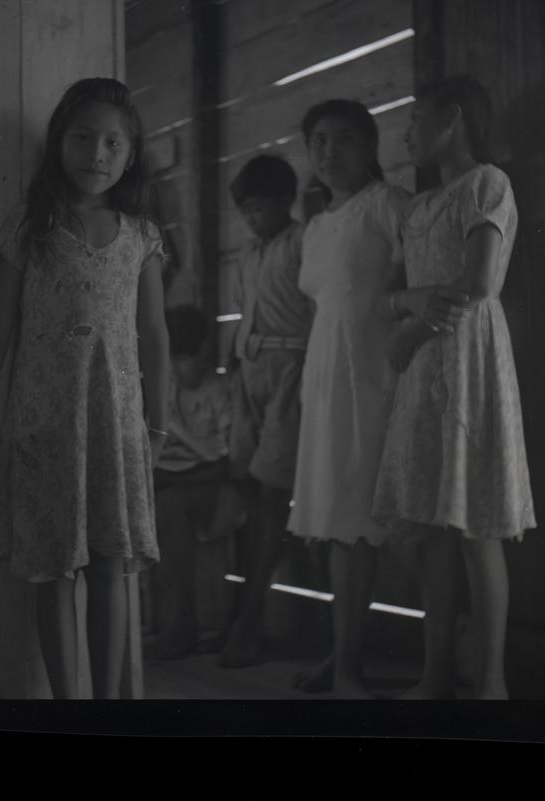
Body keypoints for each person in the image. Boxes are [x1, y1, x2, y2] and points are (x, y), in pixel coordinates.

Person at [0, 78, 170, 699]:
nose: (96, 153)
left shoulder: (141, 234)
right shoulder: (32, 222)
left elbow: (153, 334)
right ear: (58, 143)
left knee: (109, 565)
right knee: (54, 567)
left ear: (131, 155)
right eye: (82, 137)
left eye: (112, 142)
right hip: (44, 424)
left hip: (117, 425)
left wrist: (156, 425)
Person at [373, 75, 536, 700]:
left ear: (454, 120)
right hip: (425, 368)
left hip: (467, 356)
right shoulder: (416, 209)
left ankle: (490, 682)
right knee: (435, 530)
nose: (408, 132)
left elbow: (477, 284)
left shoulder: (487, 185)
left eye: (417, 118)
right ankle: (434, 672)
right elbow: (390, 295)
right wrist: (410, 307)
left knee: (475, 527)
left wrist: (411, 333)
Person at [286, 100, 411, 698]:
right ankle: (342, 659)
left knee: (360, 523)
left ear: (369, 144)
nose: (328, 152)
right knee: (337, 524)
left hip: (372, 378)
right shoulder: (315, 225)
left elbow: (416, 283)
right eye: (317, 142)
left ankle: (350, 668)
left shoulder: (389, 206)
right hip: (326, 378)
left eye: (342, 139)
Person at [219, 154, 314, 668]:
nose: (252, 218)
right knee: (248, 494)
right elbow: (243, 315)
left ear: (285, 201)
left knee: (276, 498)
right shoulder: (249, 254)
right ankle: (256, 615)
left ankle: (251, 623)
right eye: (246, 210)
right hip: (248, 371)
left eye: (260, 208)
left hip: (291, 371)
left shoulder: (303, 242)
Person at [145, 305, 245, 660]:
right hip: (172, 482)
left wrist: (168, 478)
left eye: (183, 358)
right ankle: (148, 619)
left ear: (203, 351)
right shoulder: (166, 387)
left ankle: (183, 624)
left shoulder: (220, 391)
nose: (175, 367)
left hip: (216, 492)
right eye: (171, 359)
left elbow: (228, 466)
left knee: (169, 506)